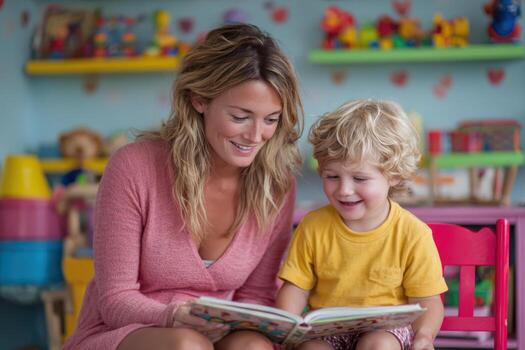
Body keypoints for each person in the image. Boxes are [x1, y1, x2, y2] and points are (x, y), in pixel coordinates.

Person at [63, 23, 303, 350]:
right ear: (199, 100)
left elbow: (255, 297)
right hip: (129, 332)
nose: (256, 135)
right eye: (241, 116)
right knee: (187, 345)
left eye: (271, 119)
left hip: (217, 335)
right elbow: (115, 301)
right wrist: (175, 315)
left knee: (254, 347)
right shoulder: (133, 167)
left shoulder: (276, 186)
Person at [276, 99, 447, 350]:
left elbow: (428, 301)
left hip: (386, 331)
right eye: (332, 176)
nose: (344, 190)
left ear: (394, 175)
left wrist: (424, 338)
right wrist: (286, 328)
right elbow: (295, 289)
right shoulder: (312, 226)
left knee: (377, 345)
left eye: (359, 178)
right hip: (326, 330)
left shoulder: (413, 233)